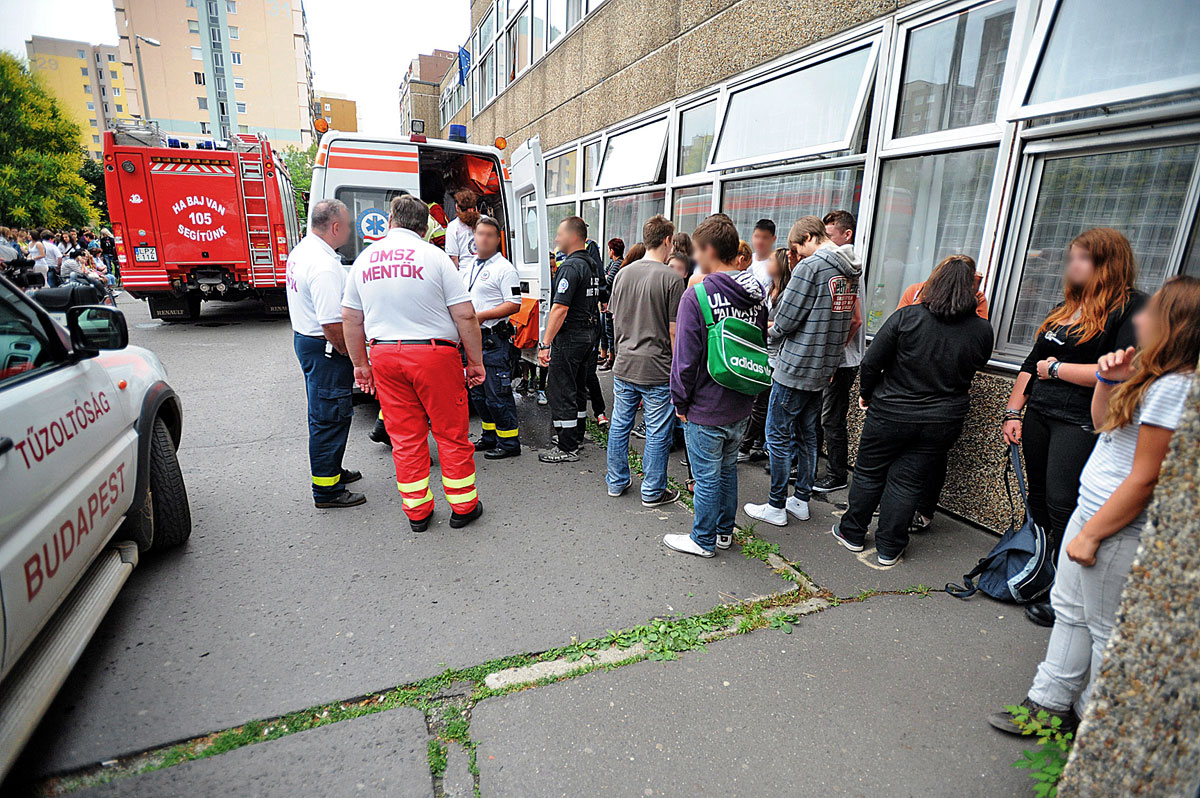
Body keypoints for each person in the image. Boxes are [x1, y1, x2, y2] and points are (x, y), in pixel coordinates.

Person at [989, 276, 1200, 735]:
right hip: (1097, 513)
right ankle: (1048, 703)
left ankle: (1094, 725)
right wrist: (1106, 379)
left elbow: (1145, 477)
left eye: (1152, 311)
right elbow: (1103, 422)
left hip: (1115, 525)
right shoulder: (1153, 374)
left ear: (1174, 324)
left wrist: (1090, 532)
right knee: (1070, 610)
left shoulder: (1176, 388)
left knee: (1104, 628)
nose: (1140, 317)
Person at [1002, 228, 1145, 627]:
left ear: (1106, 263)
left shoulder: (1131, 308)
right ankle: (1045, 574)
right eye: (1072, 257)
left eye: (1082, 257)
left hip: (1081, 420)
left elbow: (1123, 371)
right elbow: (1032, 362)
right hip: (1039, 416)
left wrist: (1058, 369)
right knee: (1042, 501)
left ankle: (1066, 595)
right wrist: (1014, 411)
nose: (1072, 265)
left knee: (1066, 507)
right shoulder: (1069, 305)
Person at [830, 256, 993, 565]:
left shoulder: (907, 317)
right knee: (908, 482)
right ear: (972, 291)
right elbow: (974, 367)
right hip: (942, 420)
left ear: (933, 283)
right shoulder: (982, 330)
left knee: (869, 473)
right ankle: (890, 547)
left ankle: (852, 532)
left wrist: (866, 394)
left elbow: (872, 361)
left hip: (891, 410)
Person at [341, 195, 486, 533]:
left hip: (385, 355)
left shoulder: (366, 260)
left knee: (405, 437)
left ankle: (417, 512)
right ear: (424, 228)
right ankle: (463, 506)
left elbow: (350, 317)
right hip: (434, 355)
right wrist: (475, 362)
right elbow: (465, 314)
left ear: (390, 221)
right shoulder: (434, 258)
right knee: (450, 433)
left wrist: (360, 364)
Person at [744, 216, 862, 527]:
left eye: (798, 248)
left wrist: (767, 330)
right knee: (808, 436)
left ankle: (776, 505)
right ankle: (800, 500)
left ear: (809, 238)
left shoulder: (811, 267)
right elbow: (847, 319)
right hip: (824, 366)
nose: (798, 255)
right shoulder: (851, 270)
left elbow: (785, 320)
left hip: (796, 365)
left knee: (778, 435)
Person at [665, 214, 766, 557]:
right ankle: (724, 532)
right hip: (741, 401)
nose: (695, 257)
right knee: (727, 472)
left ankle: (703, 539)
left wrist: (679, 401)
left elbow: (685, 360)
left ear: (709, 250)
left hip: (706, 405)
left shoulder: (697, 298)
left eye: (696, 250)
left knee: (707, 477)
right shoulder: (756, 296)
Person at [898, 261, 991, 530]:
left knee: (934, 456)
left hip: (946, 392)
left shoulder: (977, 302)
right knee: (900, 450)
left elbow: (975, 344)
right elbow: (897, 331)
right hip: (910, 387)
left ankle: (924, 510)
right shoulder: (917, 292)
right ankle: (897, 505)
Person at [285, 198, 365, 509]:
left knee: (328, 413)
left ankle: (333, 470)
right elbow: (332, 323)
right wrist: (353, 356)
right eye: (346, 226)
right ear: (334, 227)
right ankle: (327, 490)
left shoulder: (303, 251)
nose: (349, 231)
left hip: (308, 342)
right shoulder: (324, 265)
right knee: (329, 416)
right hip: (326, 348)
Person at [606, 214, 684, 506]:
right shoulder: (671, 279)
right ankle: (652, 491)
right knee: (656, 431)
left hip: (625, 363)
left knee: (619, 425)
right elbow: (674, 331)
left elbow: (614, 320)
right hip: (657, 367)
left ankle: (615, 481)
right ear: (667, 241)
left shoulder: (623, 273)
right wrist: (679, 371)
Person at [538, 216, 601, 463]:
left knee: (562, 388)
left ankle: (566, 447)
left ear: (573, 236)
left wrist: (545, 343)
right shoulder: (592, 264)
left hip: (570, 336)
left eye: (560, 234)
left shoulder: (570, 267)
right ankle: (575, 436)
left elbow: (560, 309)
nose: (556, 239)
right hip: (588, 334)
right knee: (578, 387)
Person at [813, 210, 865, 494]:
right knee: (825, 414)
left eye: (830, 236)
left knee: (831, 417)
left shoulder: (846, 263)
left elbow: (854, 319)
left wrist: (833, 354)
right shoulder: (844, 261)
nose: (826, 242)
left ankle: (836, 474)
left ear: (847, 235)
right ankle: (826, 468)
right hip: (840, 357)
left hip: (841, 360)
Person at [466, 215, 523, 460]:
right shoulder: (470, 266)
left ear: (497, 239)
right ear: (474, 236)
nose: (484, 239)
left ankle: (509, 442)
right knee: (478, 394)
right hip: (473, 340)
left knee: (497, 393)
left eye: (489, 235)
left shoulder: (504, 269)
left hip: (493, 339)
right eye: (480, 234)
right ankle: (489, 436)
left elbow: (514, 304)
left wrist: (481, 316)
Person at [739, 248, 791, 464]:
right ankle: (759, 444)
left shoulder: (786, 293)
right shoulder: (770, 289)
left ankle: (746, 445)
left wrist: (760, 325)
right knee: (759, 402)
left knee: (762, 403)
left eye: (771, 260)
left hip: (776, 355)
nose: (766, 263)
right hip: (763, 350)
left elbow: (783, 325)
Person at [445, 189, 480, 271]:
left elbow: (453, 257)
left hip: (465, 272)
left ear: (457, 207)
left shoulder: (453, 226)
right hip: (486, 270)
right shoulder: (485, 221)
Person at [748, 219, 776, 292]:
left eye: (765, 238)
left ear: (773, 239)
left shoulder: (776, 264)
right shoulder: (745, 260)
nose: (759, 241)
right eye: (757, 236)